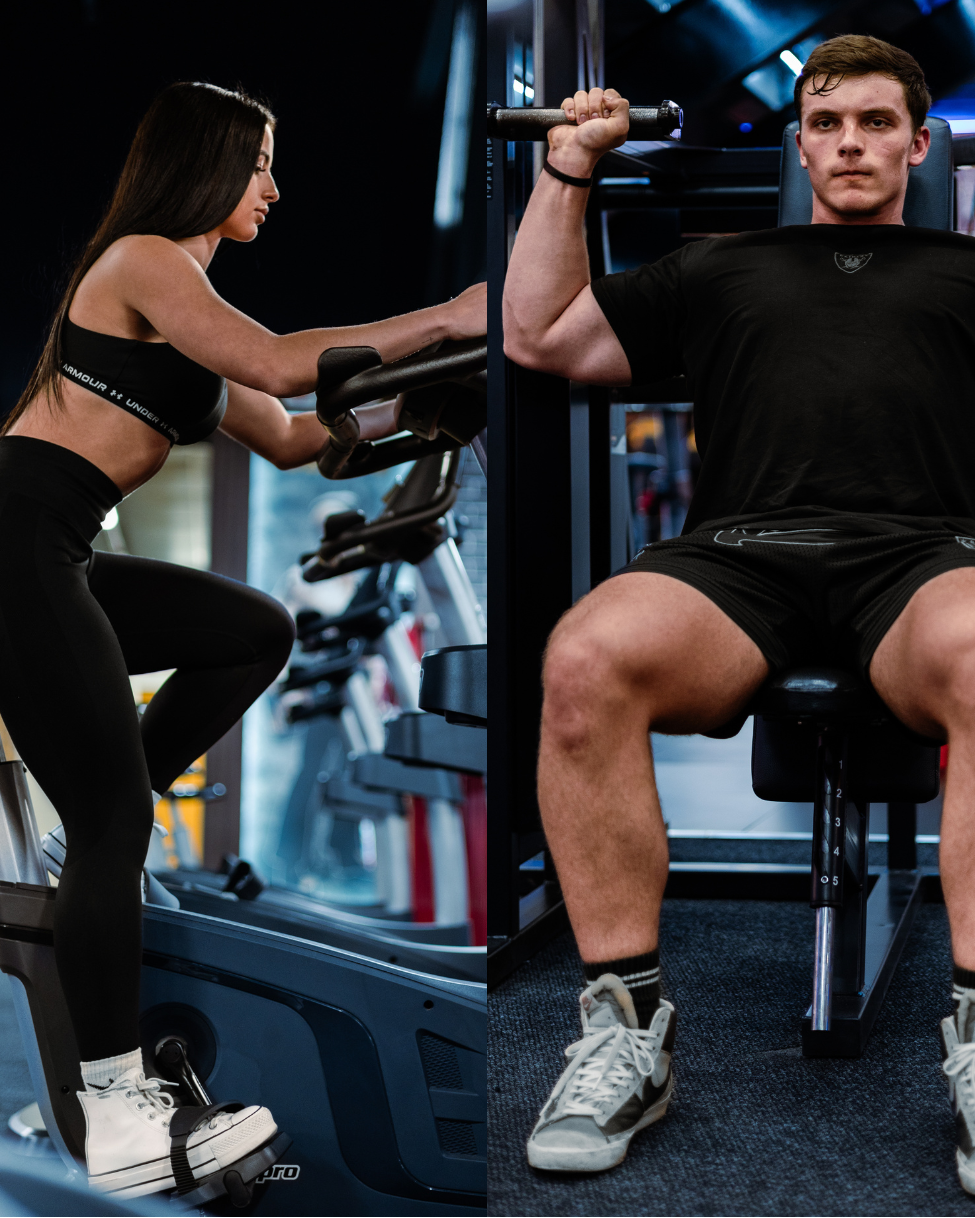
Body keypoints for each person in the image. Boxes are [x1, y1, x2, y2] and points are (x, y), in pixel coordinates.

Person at [503, 33, 975, 1190]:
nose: (850, 143)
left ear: (921, 147)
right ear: (799, 142)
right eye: (826, 123)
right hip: (740, 558)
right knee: (586, 654)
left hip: (927, 556)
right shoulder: (723, 267)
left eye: (874, 124)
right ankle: (625, 1031)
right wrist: (568, 167)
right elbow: (538, 335)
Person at [2, 80, 485, 1198]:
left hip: (49, 547)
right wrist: (451, 314)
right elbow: (280, 363)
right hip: (15, 536)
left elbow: (302, 435)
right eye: (260, 162)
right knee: (120, 813)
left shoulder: (186, 333)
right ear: (208, 166)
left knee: (251, 630)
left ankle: (88, 851)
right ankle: (115, 1107)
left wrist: (429, 404)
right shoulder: (144, 261)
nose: (273, 185)